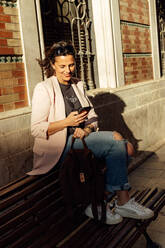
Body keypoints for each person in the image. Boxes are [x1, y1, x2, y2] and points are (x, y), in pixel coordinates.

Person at [28, 41, 154, 225]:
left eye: (71, 65)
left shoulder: (78, 85)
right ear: (53, 65)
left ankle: (98, 202)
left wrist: (87, 129)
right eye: (62, 66)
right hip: (58, 148)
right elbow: (36, 128)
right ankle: (122, 201)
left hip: (81, 141)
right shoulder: (44, 89)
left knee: (126, 149)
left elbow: (92, 117)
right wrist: (67, 123)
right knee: (117, 140)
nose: (67, 70)